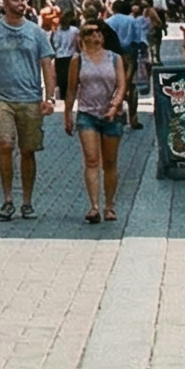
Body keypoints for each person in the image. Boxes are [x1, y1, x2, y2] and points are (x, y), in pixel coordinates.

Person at [0, 0, 51, 221]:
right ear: (5, 4)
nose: (21, 3)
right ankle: (8, 199)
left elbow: (47, 64)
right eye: (16, 0)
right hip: (2, 98)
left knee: (28, 151)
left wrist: (50, 97)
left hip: (30, 98)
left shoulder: (36, 32)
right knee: (5, 144)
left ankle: (27, 201)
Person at [64, 22, 127, 225]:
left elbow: (121, 85)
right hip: (87, 114)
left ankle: (110, 206)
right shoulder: (78, 60)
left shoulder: (114, 58)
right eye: (90, 32)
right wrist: (67, 114)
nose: (95, 35)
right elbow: (71, 89)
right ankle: (94, 207)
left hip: (111, 115)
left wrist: (114, 105)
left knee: (110, 162)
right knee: (92, 160)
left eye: (99, 32)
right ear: (82, 37)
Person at [104, 0, 148, 130]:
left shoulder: (107, 22)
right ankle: (133, 119)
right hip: (129, 55)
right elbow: (140, 40)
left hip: (111, 55)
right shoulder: (132, 21)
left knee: (113, 86)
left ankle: (116, 113)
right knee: (131, 86)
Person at [42, 4, 77, 112]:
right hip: (70, 57)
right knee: (69, 79)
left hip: (60, 57)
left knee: (62, 79)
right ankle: (67, 98)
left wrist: (54, 53)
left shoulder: (56, 31)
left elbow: (52, 43)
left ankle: (63, 97)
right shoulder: (74, 30)